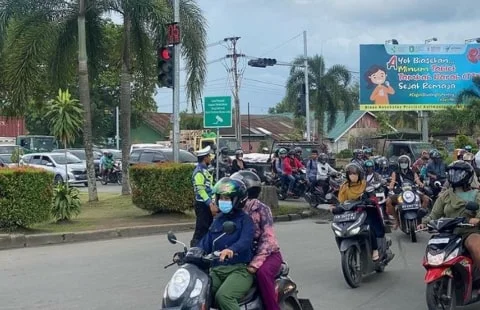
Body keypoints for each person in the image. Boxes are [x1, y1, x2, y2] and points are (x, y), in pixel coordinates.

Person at [197, 177, 255, 310]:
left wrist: (232, 250)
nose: (223, 201)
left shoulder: (245, 220)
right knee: (200, 293)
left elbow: (245, 241)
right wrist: (192, 253)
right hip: (217, 270)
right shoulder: (218, 220)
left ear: (238, 200)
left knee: (224, 296)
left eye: (227, 198)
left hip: (240, 270)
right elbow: (206, 241)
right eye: (221, 198)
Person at [231, 170, 282, 310]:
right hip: (244, 254)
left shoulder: (262, 209)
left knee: (262, 274)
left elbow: (268, 239)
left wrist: (255, 263)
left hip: (268, 255)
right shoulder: (233, 210)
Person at [417, 161, 480, 270]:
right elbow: (434, 214)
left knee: (476, 247)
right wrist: (424, 223)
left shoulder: (476, 194)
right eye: (452, 173)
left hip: (469, 232)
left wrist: (477, 219)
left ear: (468, 176)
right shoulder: (445, 195)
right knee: (433, 251)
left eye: (459, 173)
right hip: (448, 233)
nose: (455, 176)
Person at [336, 163, 383, 260]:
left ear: (359, 174)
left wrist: (369, 200)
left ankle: (375, 249)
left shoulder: (365, 184)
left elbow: (372, 196)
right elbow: (341, 201)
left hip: (364, 210)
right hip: (349, 213)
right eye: (350, 174)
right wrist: (337, 207)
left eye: (355, 173)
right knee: (339, 229)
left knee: (368, 227)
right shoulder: (344, 186)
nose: (352, 176)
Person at [385, 155, 429, 229]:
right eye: (402, 162)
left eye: (405, 162)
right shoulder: (395, 173)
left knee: (426, 199)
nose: (403, 164)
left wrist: (421, 184)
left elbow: (417, 180)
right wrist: (391, 187)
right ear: (399, 163)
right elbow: (392, 181)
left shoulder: (412, 172)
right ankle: (396, 221)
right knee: (388, 201)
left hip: (413, 192)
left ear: (409, 163)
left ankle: (419, 220)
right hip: (399, 193)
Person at [191, 146, 218, 247]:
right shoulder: (198, 172)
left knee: (207, 228)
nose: (210, 158)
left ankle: (204, 248)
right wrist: (210, 203)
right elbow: (200, 191)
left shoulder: (205, 171)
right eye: (209, 156)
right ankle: (194, 250)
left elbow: (210, 188)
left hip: (207, 204)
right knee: (201, 229)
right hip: (202, 205)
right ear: (205, 158)